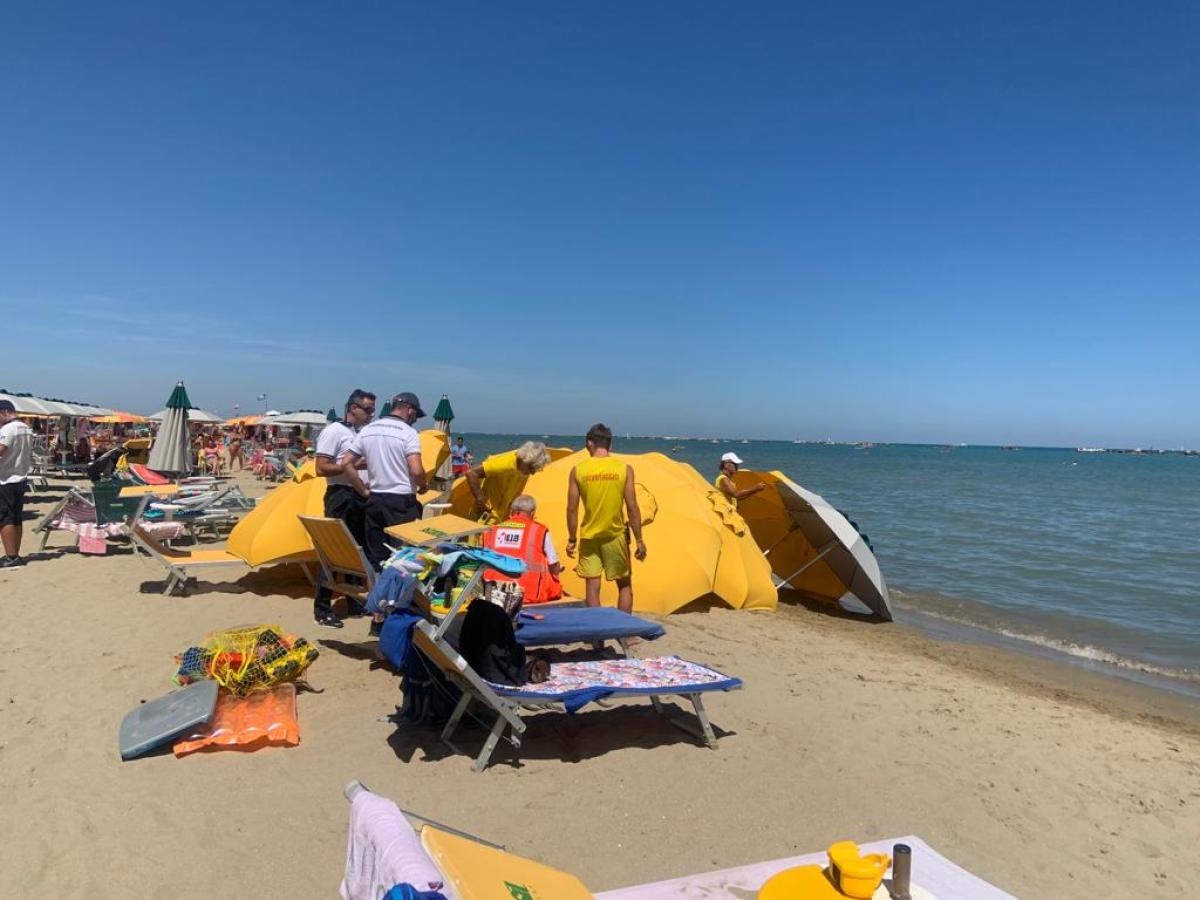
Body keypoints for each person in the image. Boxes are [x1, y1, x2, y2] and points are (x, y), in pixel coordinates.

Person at [311, 389, 376, 627]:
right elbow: (321, 468)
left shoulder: (358, 433)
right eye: (368, 410)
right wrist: (351, 466)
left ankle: (353, 600)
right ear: (353, 408)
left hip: (358, 496)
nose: (371, 414)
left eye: (373, 410)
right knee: (333, 550)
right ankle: (322, 607)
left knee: (355, 552)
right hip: (340, 496)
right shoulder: (334, 431)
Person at [343, 391, 428, 571]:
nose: (416, 419)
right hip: (401, 502)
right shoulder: (409, 433)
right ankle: (397, 598)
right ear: (409, 409)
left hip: (375, 500)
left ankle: (376, 595)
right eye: (416, 415)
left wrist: (363, 491)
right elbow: (416, 470)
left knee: (377, 557)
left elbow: (346, 463)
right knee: (402, 557)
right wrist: (424, 484)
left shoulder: (368, 429)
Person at [565, 423, 646, 613]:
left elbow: (571, 509)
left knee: (592, 587)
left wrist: (571, 539)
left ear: (589, 443)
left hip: (589, 536)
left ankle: (597, 638)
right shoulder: (624, 468)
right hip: (615, 534)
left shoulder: (577, 470)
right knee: (624, 585)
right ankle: (625, 634)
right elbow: (632, 507)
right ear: (610, 445)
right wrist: (639, 539)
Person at [480, 494, 564, 604]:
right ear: (533, 513)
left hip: (493, 592)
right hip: (527, 594)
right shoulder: (540, 530)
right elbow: (554, 565)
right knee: (554, 579)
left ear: (511, 511)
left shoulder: (493, 530)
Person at [465, 440, 551, 523]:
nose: (532, 473)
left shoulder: (523, 471)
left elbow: (514, 496)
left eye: (535, 469)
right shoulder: (506, 462)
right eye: (531, 468)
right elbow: (471, 473)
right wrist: (481, 500)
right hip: (482, 515)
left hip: (498, 518)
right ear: (526, 460)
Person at [0, 401, 35, 568]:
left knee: (5, 519)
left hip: (6, 479)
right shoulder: (26, 428)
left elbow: (1, 449)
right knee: (16, 518)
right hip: (21, 477)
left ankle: (11, 557)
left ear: (4, 412)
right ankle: (15, 554)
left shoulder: (8, 429)